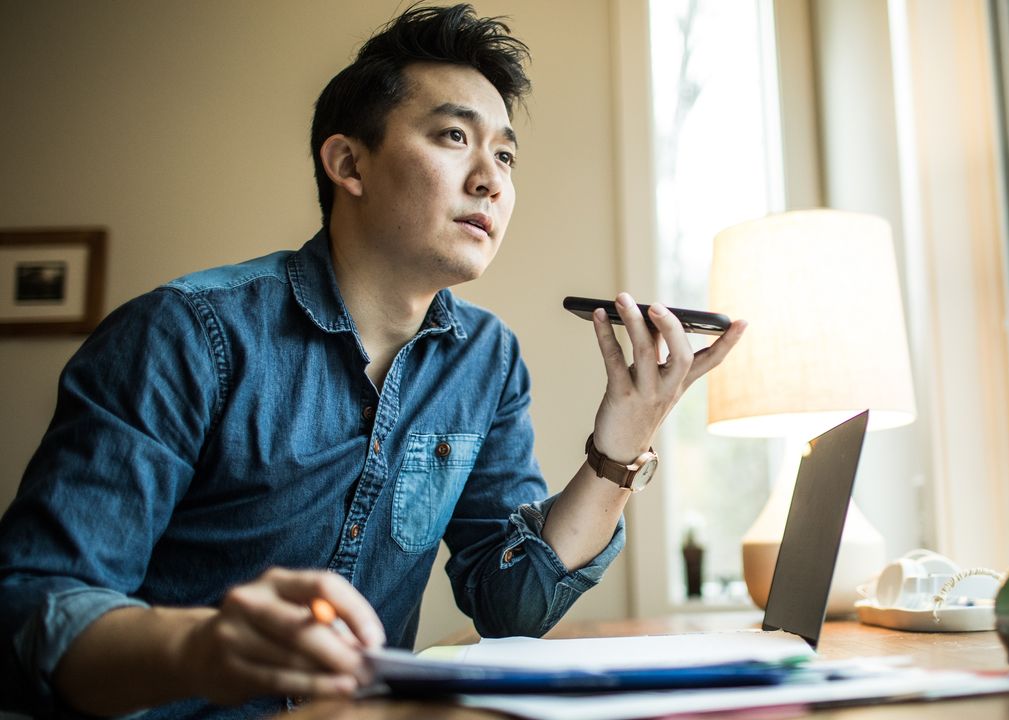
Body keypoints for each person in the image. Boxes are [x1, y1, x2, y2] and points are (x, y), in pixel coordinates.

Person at [0, 4, 746, 718]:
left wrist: (628, 435)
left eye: (506, 154)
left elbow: (508, 602)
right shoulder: (184, 335)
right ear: (348, 162)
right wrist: (203, 646)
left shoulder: (485, 361)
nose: (491, 178)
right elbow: (33, 608)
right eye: (456, 138)